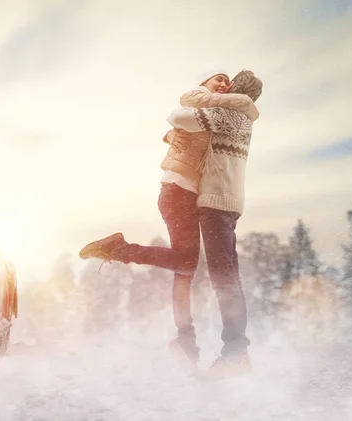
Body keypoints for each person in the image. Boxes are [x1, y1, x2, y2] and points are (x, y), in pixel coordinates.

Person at [79, 69, 260, 375]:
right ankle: (207, 347)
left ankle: (217, 349)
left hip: (208, 200)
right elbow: (178, 118)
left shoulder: (226, 113)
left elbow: (180, 118)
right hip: (185, 194)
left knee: (198, 270)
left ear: (236, 93)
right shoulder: (222, 111)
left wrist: (201, 105)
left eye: (227, 84)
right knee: (199, 270)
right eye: (217, 79)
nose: (223, 85)